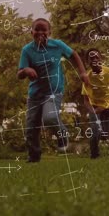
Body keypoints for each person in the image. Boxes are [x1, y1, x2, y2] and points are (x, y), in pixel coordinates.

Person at [17, 18, 89, 163]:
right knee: (31, 128)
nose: (40, 32)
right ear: (31, 32)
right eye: (37, 29)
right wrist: (26, 69)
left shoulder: (57, 45)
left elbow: (74, 55)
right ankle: (34, 158)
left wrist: (82, 72)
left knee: (49, 117)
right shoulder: (27, 50)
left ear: (49, 32)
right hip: (35, 95)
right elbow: (19, 74)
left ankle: (63, 134)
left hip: (53, 91)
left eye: (44, 30)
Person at [82, 48, 109, 159]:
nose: (95, 59)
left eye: (97, 57)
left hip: (108, 106)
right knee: (95, 130)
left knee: (107, 133)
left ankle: (107, 151)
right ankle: (94, 156)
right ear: (87, 62)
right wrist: (93, 111)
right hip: (94, 107)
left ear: (101, 59)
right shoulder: (88, 77)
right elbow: (85, 99)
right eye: (92, 58)